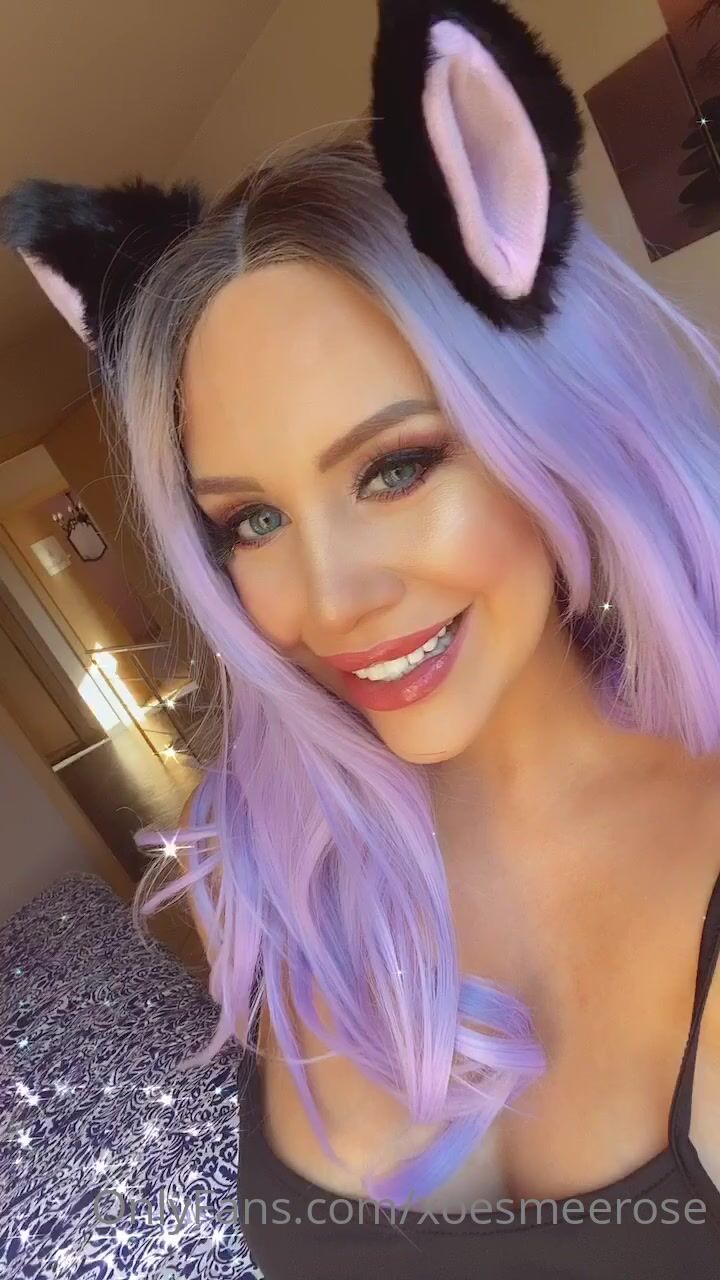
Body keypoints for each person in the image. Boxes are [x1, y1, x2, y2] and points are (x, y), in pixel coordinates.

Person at [2, 2, 719, 1275]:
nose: (327, 603)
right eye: (253, 519)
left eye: (395, 467)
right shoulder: (273, 870)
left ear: (552, 425)